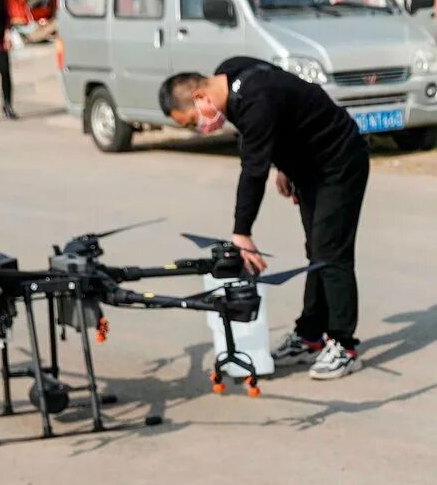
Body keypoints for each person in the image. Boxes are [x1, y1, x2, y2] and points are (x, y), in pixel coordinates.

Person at [158, 60, 370, 379]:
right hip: (309, 165)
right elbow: (287, 107)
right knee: (317, 251)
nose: (198, 129)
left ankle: (344, 345)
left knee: (331, 252)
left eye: (191, 122)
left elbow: (253, 171)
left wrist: (242, 232)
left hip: (339, 160)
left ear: (201, 97)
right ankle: (309, 335)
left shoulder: (253, 103)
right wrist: (287, 167)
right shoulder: (231, 71)